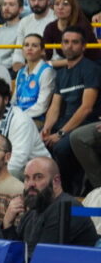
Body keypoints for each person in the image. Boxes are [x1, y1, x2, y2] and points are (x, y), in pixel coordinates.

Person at [1, 157, 98, 260]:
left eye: (38, 177)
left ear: (56, 181)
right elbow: (16, 253)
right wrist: (7, 224)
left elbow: (39, 261)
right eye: (27, 178)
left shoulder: (67, 209)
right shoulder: (33, 210)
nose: (30, 184)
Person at [40, 28, 100, 195]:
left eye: (75, 42)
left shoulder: (90, 69)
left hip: (85, 122)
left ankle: (71, 188)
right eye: (66, 42)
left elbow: (87, 108)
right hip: (65, 122)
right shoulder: (61, 74)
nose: (69, 46)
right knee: (40, 142)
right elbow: (55, 106)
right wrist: (46, 128)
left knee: (61, 147)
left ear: (83, 46)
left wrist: (60, 133)